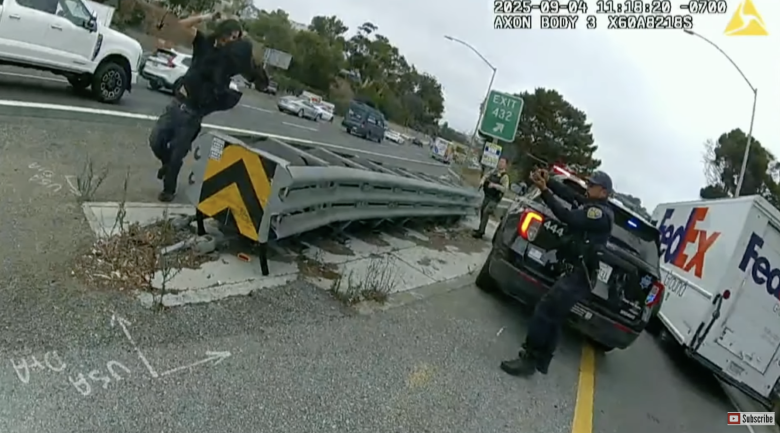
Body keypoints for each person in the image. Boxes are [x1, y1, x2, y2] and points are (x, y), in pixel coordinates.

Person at [500, 169, 615, 377]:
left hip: (580, 276)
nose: (588, 187)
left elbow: (568, 217)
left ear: (604, 192)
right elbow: (571, 196)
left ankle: (529, 358)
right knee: (554, 317)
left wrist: (544, 190)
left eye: (592, 185)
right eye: (588, 184)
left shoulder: (599, 214)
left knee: (545, 311)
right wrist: (550, 181)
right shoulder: (593, 205)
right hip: (576, 273)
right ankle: (541, 361)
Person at [149, 14, 269, 202]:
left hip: (193, 115)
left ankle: (169, 190)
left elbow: (255, 75)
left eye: (236, 38)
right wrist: (207, 16)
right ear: (223, 32)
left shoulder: (231, 60)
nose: (232, 40)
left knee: (176, 156)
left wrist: (259, 75)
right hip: (176, 104)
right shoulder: (204, 43)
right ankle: (166, 164)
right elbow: (182, 25)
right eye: (231, 35)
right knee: (155, 141)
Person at [472, 157, 510, 239]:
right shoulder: (494, 171)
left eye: (503, 162)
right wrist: (482, 181)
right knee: (482, 210)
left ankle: (480, 232)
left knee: (486, 211)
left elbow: (505, 189)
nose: (500, 163)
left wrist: (494, 185)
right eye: (500, 161)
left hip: (495, 199)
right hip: (488, 195)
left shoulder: (505, 177)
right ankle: (480, 229)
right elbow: (486, 175)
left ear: (506, 165)